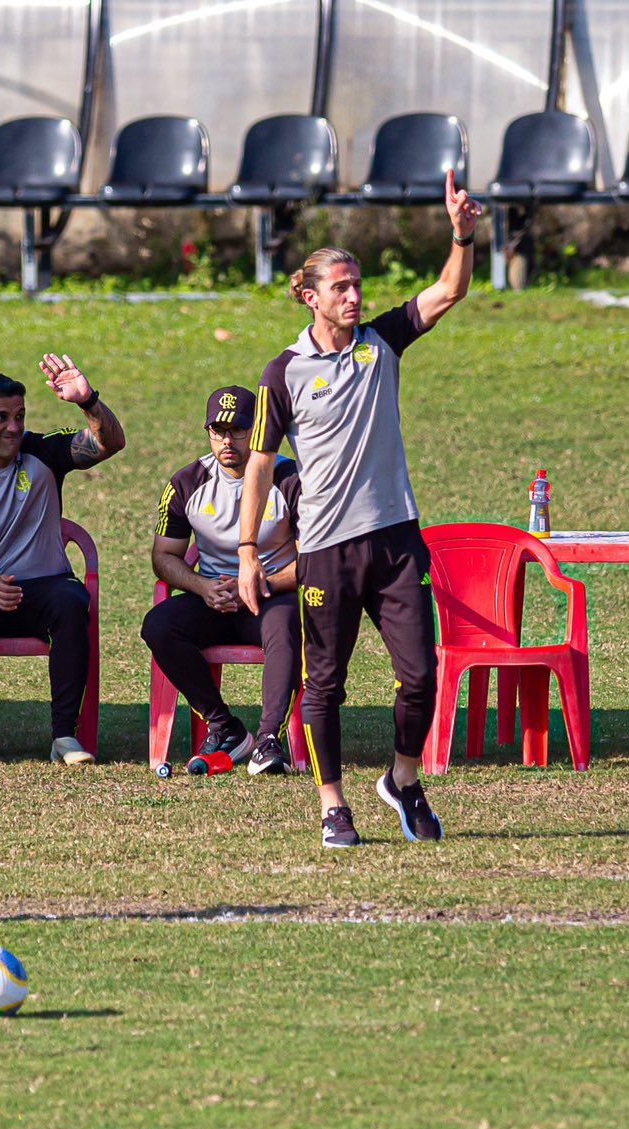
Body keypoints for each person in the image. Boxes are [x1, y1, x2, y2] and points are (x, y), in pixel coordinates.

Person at [237, 171, 483, 847]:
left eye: (357, 285)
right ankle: (331, 807)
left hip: (397, 539)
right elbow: (260, 464)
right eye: (340, 287)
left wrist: (462, 233)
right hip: (325, 550)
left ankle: (402, 780)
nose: (354, 296)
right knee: (325, 686)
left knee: (421, 676)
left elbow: (450, 290)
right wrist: (250, 552)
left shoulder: (381, 344)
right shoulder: (282, 372)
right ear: (310, 297)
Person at [0, 356, 126, 767]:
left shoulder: (41, 452)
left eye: (19, 416)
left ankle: (64, 738)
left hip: (45, 588)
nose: (13, 428)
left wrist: (88, 401)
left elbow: (110, 443)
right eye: (0, 417)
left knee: (72, 602)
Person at [142, 386, 303, 775]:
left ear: (259, 431)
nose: (227, 440)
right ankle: (224, 725)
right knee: (159, 625)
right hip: (213, 597)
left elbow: (314, 558)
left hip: (271, 595)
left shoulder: (289, 478)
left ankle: (268, 740)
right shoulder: (186, 482)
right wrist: (202, 587)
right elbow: (164, 557)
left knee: (285, 629)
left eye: (238, 430)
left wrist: (261, 583)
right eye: (218, 430)